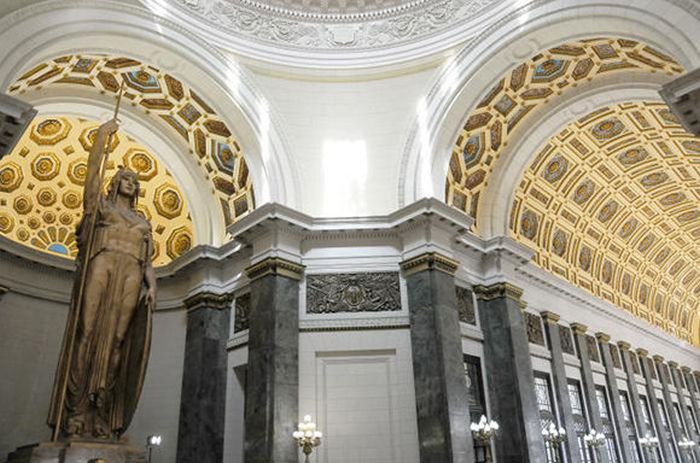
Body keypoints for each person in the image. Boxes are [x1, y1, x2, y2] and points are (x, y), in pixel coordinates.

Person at [48, 120, 156, 439]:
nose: (129, 182)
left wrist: (154, 285)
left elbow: (148, 260)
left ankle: (102, 411)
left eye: (134, 180)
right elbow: (91, 180)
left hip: (132, 272)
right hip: (103, 263)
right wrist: (99, 142)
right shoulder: (102, 208)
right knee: (88, 332)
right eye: (124, 177)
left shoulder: (142, 221)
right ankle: (76, 409)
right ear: (115, 183)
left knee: (118, 341)